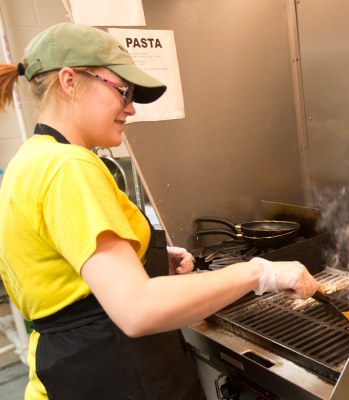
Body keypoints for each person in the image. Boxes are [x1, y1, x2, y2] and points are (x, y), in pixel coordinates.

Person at [0, 23, 323, 400]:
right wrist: (260, 272)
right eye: (123, 92)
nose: (131, 108)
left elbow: (63, 281)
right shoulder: (69, 167)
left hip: (69, 372)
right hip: (116, 376)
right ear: (70, 81)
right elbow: (137, 309)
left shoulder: (29, 160)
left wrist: (143, 264)